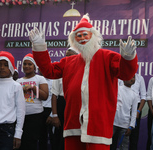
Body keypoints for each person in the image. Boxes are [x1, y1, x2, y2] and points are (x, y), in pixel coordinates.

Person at [29, 13, 138, 150]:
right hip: (73, 122)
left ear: (93, 36)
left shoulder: (107, 56)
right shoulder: (69, 61)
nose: (82, 38)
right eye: (78, 36)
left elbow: (126, 74)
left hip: (98, 124)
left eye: (85, 34)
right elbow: (49, 71)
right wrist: (39, 47)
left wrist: (128, 57)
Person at [0, 51, 25, 150]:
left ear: (11, 67)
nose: (2, 67)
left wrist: (18, 134)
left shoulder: (16, 86)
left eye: (5, 65)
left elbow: (20, 111)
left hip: (6, 131)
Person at [17, 53, 49, 150]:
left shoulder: (40, 79)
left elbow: (44, 97)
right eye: (25, 64)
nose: (27, 66)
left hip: (36, 116)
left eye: (29, 64)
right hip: (20, 116)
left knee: (31, 143)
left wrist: (33, 88)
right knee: (21, 143)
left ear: (35, 66)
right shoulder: (18, 81)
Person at [49, 48, 78, 150]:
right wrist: (55, 115)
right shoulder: (60, 72)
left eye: (71, 55)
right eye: (66, 55)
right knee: (59, 137)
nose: (68, 58)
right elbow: (54, 95)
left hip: (76, 105)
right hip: (62, 105)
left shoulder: (82, 72)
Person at [110, 76, 138, 150]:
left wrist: (131, 126)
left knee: (124, 146)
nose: (131, 79)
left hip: (125, 125)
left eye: (133, 77)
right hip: (113, 123)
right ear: (124, 78)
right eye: (130, 76)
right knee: (109, 143)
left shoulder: (135, 95)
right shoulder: (117, 89)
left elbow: (134, 112)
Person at [129, 73, 146, 150]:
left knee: (134, 134)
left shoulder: (140, 78)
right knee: (121, 132)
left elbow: (143, 96)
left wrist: (138, 111)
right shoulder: (121, 77)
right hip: (124, 106)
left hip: (136, 107)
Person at [38, 69, 53, 150]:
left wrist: (52, 114)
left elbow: (56, 99)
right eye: (40, 68)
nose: (42, 70)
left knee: (53, 137)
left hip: (51, 111)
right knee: (41, 137)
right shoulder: (37, 81)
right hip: (39, 110)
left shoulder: (54, 81)